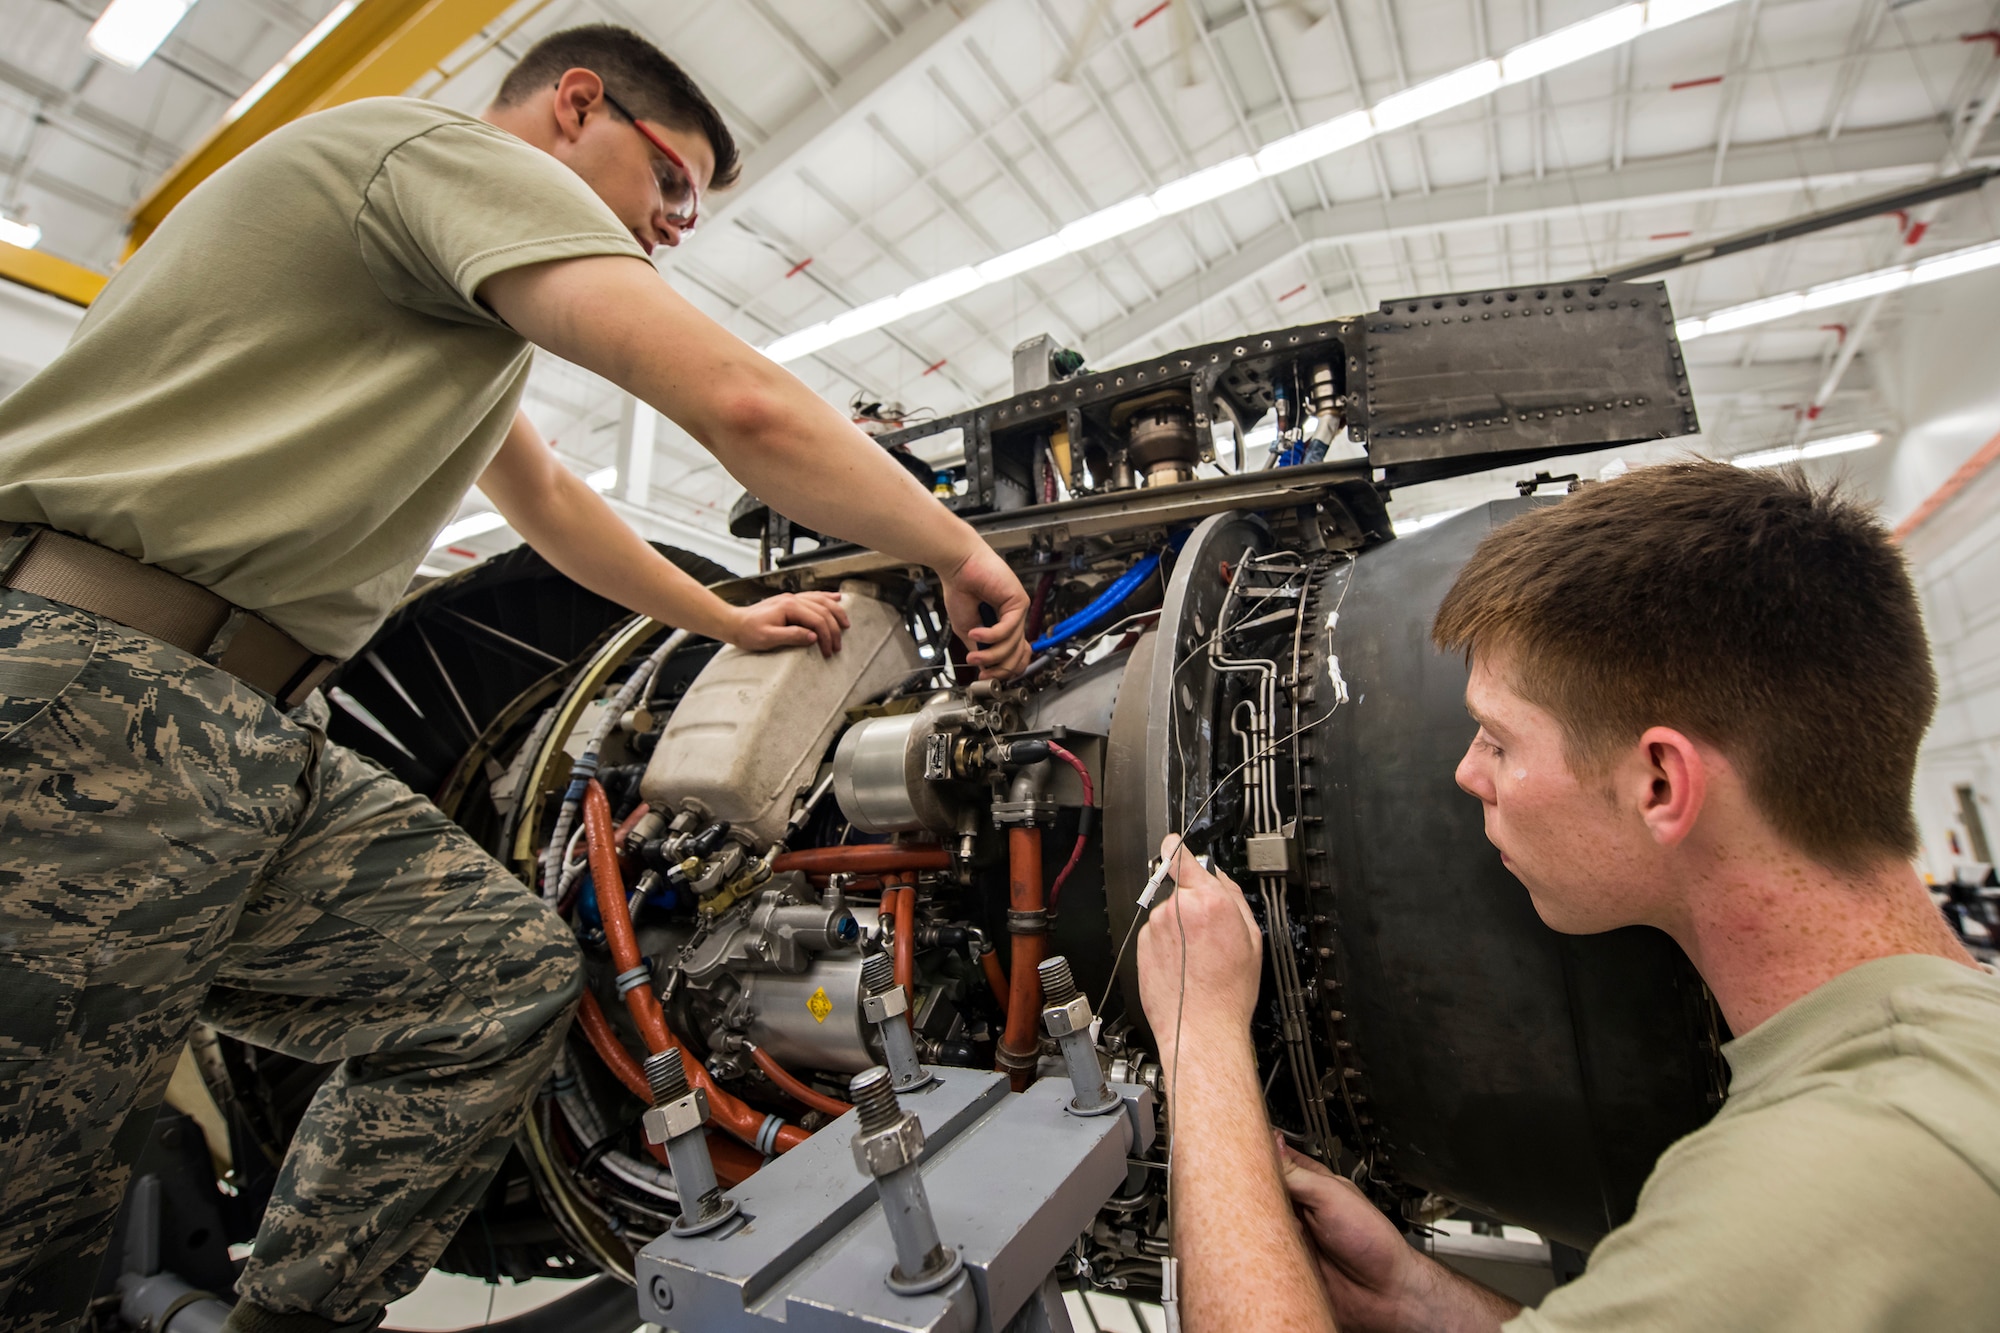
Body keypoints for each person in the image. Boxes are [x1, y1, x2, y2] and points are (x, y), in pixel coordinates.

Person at [0, 24, 1029, 1332]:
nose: (672, 228)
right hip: (90, 699)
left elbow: (545, 497)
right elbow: (744, 406)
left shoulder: (433, 295)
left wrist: (728, 614)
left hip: (244, 733)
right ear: (575, 107)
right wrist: (952, 546)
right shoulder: (441, 159)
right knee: (28, 1224)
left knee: (496, 980)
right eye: (672, 185)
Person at [1137, 460, 2000, 1332]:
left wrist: (1200, 1031)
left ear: (1660, 781)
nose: (1467, 772)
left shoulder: (1807, 1199)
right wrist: (1415, 1295)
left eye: (1499, 741)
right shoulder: (1941, 1069)